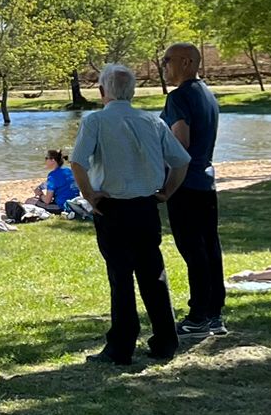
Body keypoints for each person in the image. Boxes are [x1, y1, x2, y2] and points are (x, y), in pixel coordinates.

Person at [71, 63, 191, 365]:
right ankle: (165, 340)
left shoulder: (95, 120)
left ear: (102, 92)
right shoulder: (151, 121)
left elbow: (77, 161)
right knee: (153, 274)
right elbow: (181, 160)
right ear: (133, 92)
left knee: (121, 277)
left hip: (112, 207)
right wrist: (167, 192)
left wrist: (88, 194)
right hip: (146, 205)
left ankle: (121, 346)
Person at [160, 42, 226, 339]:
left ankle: (199, 316)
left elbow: (179, 145)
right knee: (210, 247)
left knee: (193, 250)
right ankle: (214, 314)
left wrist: (163, 181)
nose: (164, 67)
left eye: (167, 61)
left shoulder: (179, 97)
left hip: (185, 184)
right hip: (206, 183)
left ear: (186, 62)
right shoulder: (207, 94)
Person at [37, 149, 81, 214]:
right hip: (75, 203)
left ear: (53, 160)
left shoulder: (52, 176)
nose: (45, 160)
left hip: (62, 207)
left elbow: (47, 201)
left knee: (30, 201)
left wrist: (40, 194)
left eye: (46, 158)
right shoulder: (68, 171)